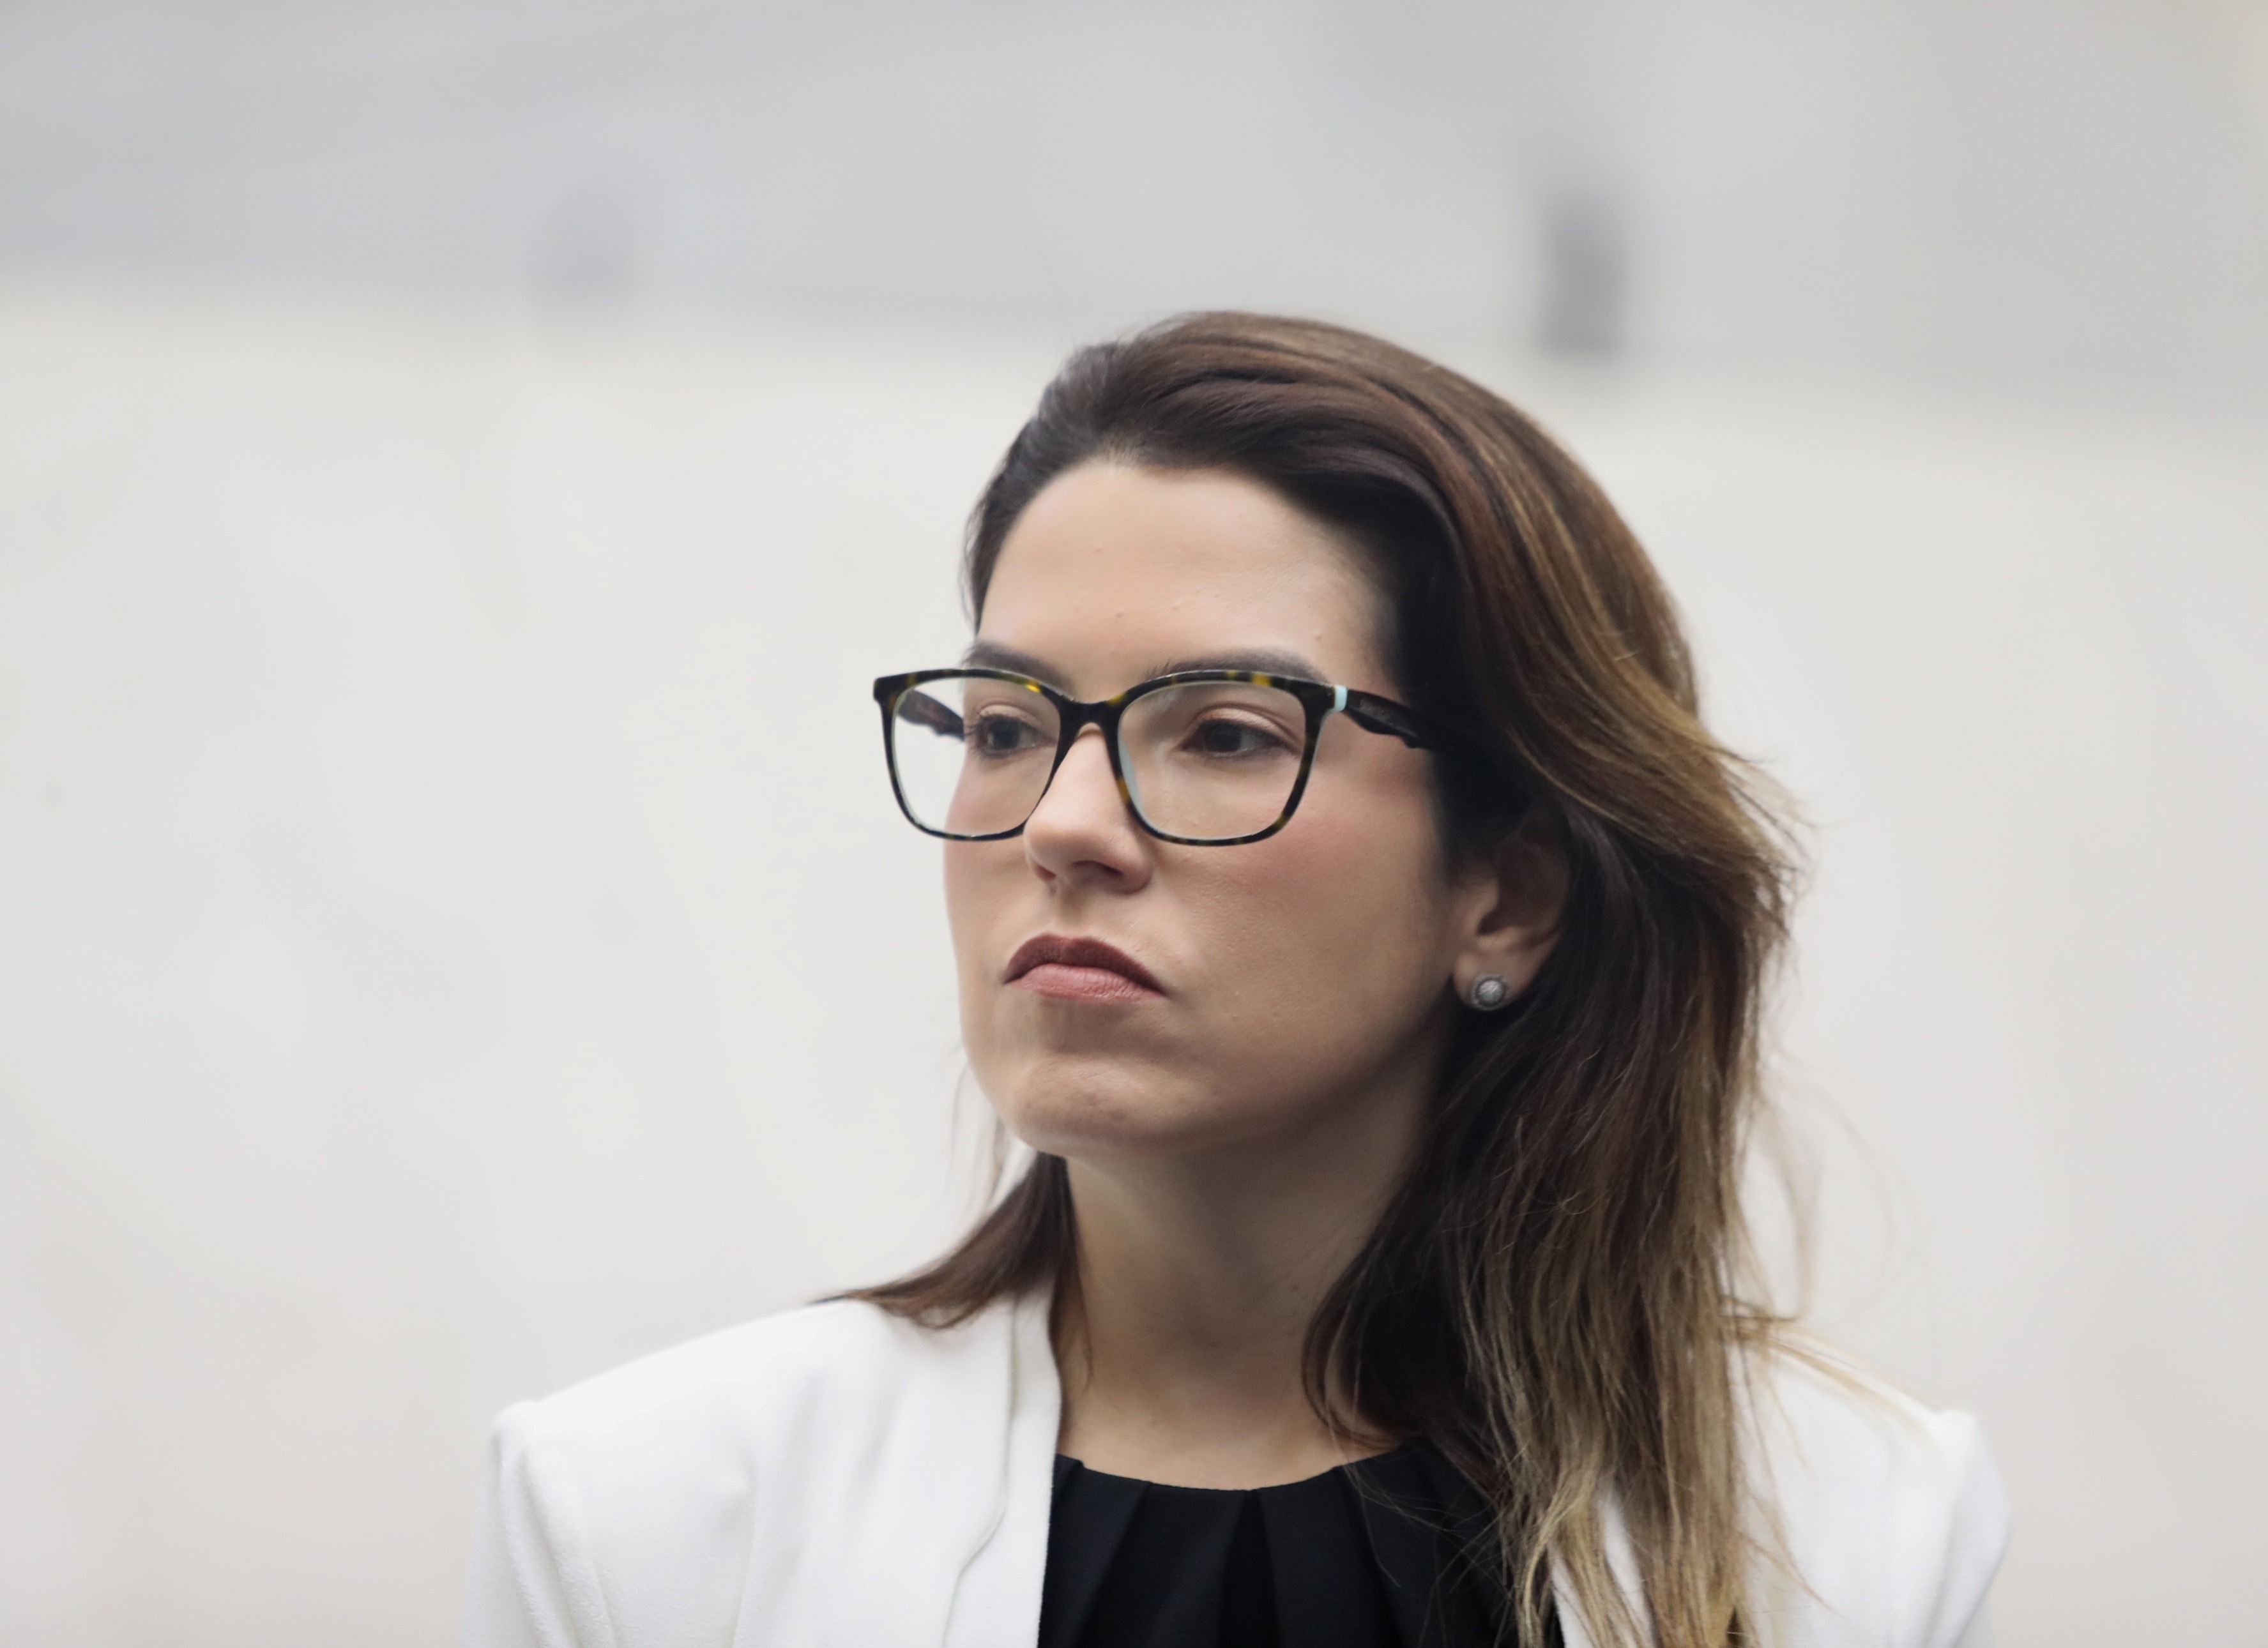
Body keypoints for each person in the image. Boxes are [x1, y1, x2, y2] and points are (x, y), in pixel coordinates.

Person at [462, 314, 2007, 1648]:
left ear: (1508, 894)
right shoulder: (648, 1516)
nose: (1062, 824)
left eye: (1222, 733)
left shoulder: (1846, 1527)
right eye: (1004, 726)